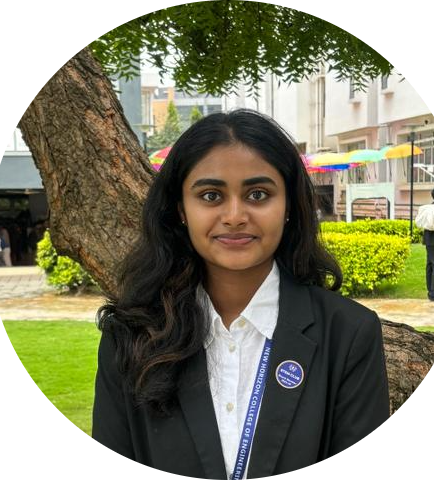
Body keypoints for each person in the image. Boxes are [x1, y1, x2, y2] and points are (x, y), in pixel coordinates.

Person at [92, 109, 390, 477]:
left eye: (258, 194)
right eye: (211, 195)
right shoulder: (131, 334)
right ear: (181, 209)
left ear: (289, 206)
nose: (234, 215)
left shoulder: (349, 334)